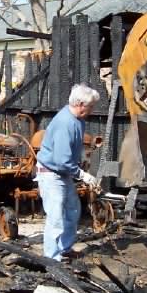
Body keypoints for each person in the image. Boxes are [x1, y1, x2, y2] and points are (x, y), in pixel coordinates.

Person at [35, 84, 100, 261]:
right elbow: (61, 160)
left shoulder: (78, 120)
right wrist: (82, 175)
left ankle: (65, 248)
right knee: (55, 216)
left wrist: (80, 164)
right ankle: (52, 257)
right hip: (51, 173)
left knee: (72, 209)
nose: (92, 110)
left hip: (62, 173)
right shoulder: (65, 123)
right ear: (80, 104)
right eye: (90, 106)